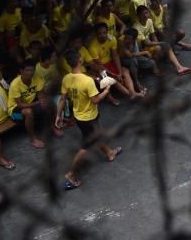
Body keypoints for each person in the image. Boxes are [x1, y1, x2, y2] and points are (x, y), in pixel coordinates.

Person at [55, 50, 122, 190]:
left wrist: (58, 115)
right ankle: (71, 174)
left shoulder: (67, 78)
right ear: (80, 61)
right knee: (86, 147)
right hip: (88, 117)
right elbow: (95, 100)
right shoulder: (87, 81)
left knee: (97, 134)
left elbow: (62, 98)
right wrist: (106, 91)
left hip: (79, 115)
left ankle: (109, 153)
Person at [7, 59, 54, 149]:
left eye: (32, 70)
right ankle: (33, 139)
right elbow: (20, 105)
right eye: (27, 70)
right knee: (28, 112)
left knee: (48, 104)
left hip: (30, 105)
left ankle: (53, 128)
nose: (30, 73)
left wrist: (43, 102)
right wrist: (38, 102)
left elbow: (41, 96)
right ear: (21, 71)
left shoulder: (36, 79)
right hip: (15, 114)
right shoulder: (15, 84)